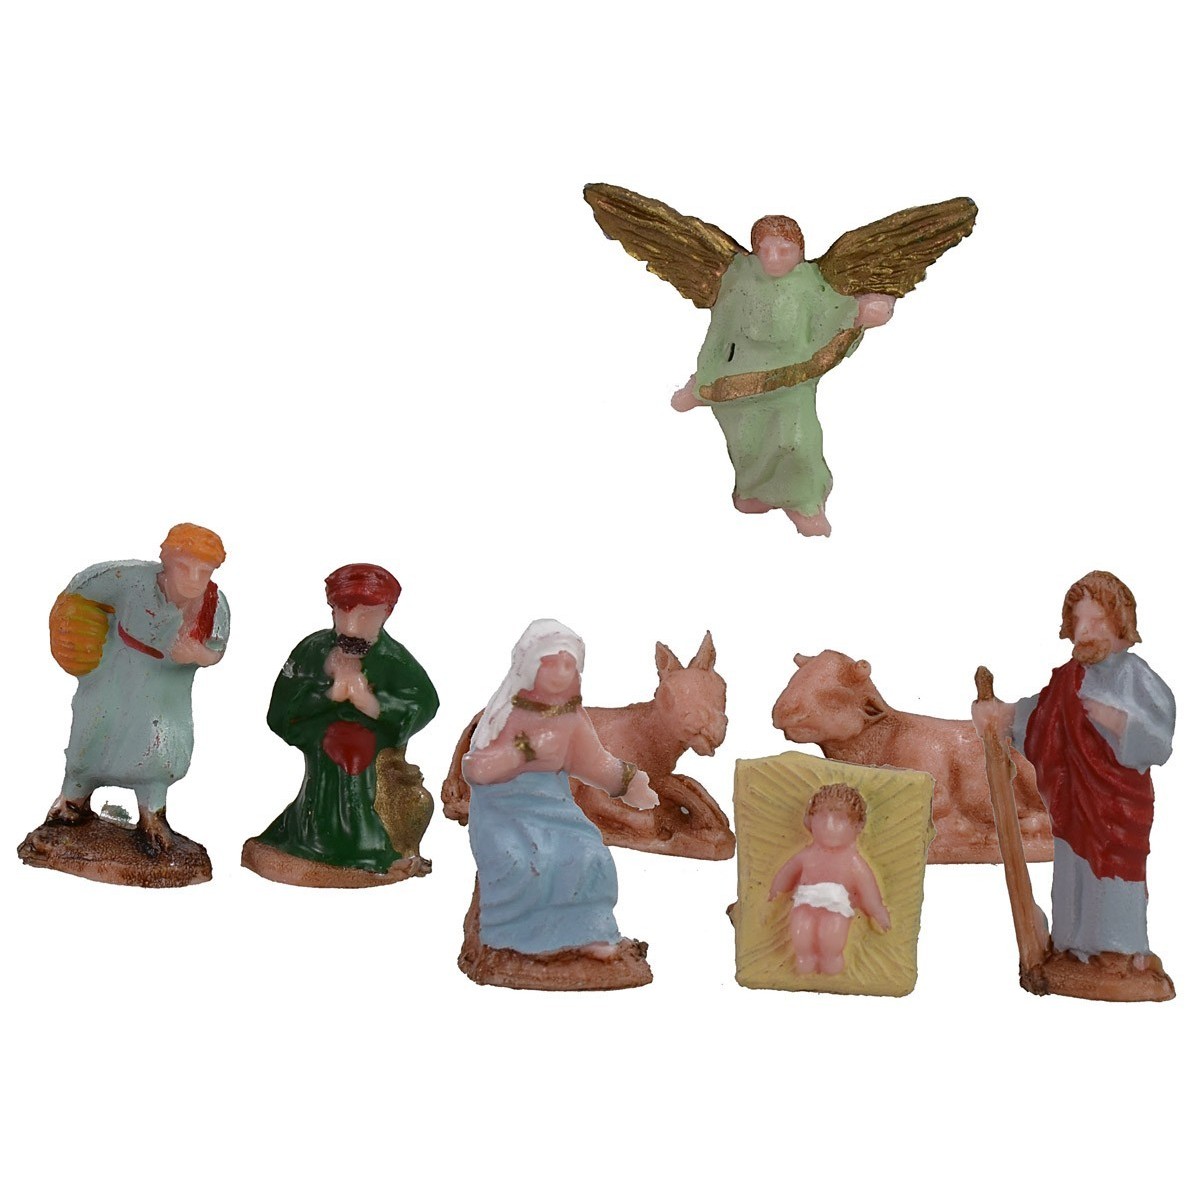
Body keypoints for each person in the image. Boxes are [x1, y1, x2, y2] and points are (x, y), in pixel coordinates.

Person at [972, 571, 1175, 970]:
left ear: (1120, 624)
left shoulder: (1136, 677)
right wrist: (1000, 716)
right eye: (1078, 621)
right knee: (1072, 872)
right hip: (1072, 804)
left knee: (1116, 872)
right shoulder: (1068, 680)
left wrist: (1119, 721)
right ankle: (1073, 947)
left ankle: (1121, 950)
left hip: (1118, 806)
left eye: (1096, 621)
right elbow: (1037, 716)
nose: (1084, 631)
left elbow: (1160, 737)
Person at [671, 215, 896, 536]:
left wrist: (864, 313)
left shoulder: (812, 283)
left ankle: (806, 504)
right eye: (765, 250)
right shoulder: (739, 280)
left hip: (793, 381)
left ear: (800, 251)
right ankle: (753, 492)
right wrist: (702, 380)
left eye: (784, 251)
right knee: (748, 444)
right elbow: (719, 334)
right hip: (739, 381)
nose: (773, 259)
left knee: (797, 443)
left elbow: (837, 315)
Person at [462, 619, 657, 961]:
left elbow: (594, 761)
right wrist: (524, 752)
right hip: (502, 809)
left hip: (553, 806)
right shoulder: (506, 715)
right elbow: (476, 769)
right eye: (553, 663)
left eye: (570, 665)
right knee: (520, 859)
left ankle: (590, 932)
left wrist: (628, 782)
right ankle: (513, 936)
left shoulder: (571, 718)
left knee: (589, 855)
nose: (562, 673)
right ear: (530, 666)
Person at [45, 523, 230, 853]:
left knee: (161, 746)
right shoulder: (130, 579)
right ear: (166, 560)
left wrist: (197, 654)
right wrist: (71, 626)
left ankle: (152, 815)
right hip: (115, 669)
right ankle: (72, 800)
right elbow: (82, 589)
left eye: (203, 571)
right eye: (184, 567)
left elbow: (216, 649)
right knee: (93, 730)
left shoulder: (213, 604)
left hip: (165, 687)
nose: (193, 578)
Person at [251, 564, 439, 879]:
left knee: (355, 756)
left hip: (372, 749)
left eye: (364, 616)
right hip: (322, 741)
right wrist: (327, 695)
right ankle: (316, 838)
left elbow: (425, 702)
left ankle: (366, 844)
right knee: (334, 762)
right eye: (343, 614)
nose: (350, 627)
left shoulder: (393, 657)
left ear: (386, 613)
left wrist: (374, 705)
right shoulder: (313, 650)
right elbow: (280, 709)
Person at [767, 783, 890, 975]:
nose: (829, 826)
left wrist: (878, 913)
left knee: (830, 943)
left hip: (835, 909)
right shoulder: (807, 856)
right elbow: (786, 875)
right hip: (805, 905)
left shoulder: (853, 862)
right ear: (809, 820)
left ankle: (831, 967)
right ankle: (805, 964)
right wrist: (773, 896)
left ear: (858, 826)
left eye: (840, 819)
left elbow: (868, 890)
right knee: (802, 939)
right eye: (822, 817)